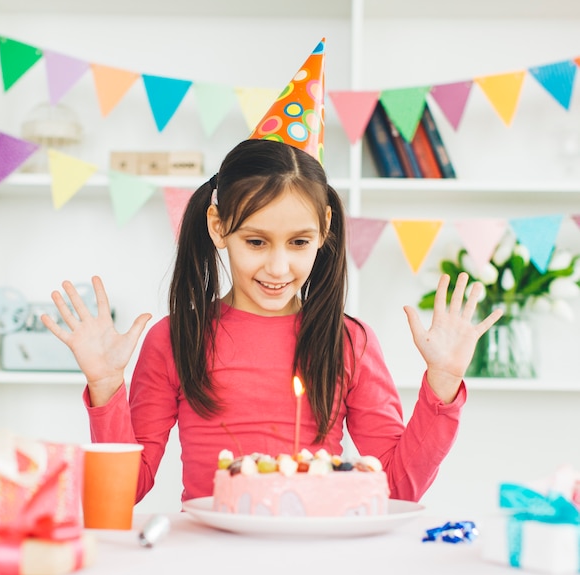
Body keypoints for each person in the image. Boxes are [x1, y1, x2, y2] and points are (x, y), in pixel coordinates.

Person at [41, 138, 502, 506]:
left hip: (319, 561)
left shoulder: (349, 342)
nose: (278, 268)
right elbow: (126, 491)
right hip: (208, 561)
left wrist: (442, 384)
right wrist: (105, 384)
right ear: (219, 227)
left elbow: (398, 488)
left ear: (324, 229)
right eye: (257, 242)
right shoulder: (175, 338)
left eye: (298, 242)